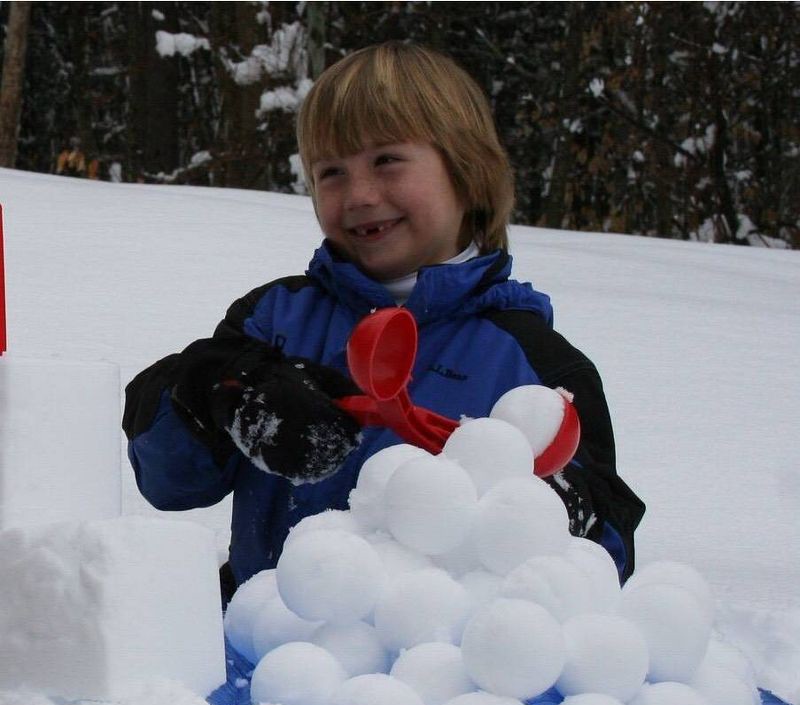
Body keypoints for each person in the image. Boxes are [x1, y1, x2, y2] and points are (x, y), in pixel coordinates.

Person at [123, 42, 644, 603]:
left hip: (437, 670)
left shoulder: (534, 362)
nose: (360, 195)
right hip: (267, 648)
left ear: (466, 172)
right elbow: (170, 482)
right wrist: (220, 386)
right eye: (331, 173)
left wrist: (541, 506)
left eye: (387, 161)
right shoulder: (274, 318)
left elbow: (603, 560)